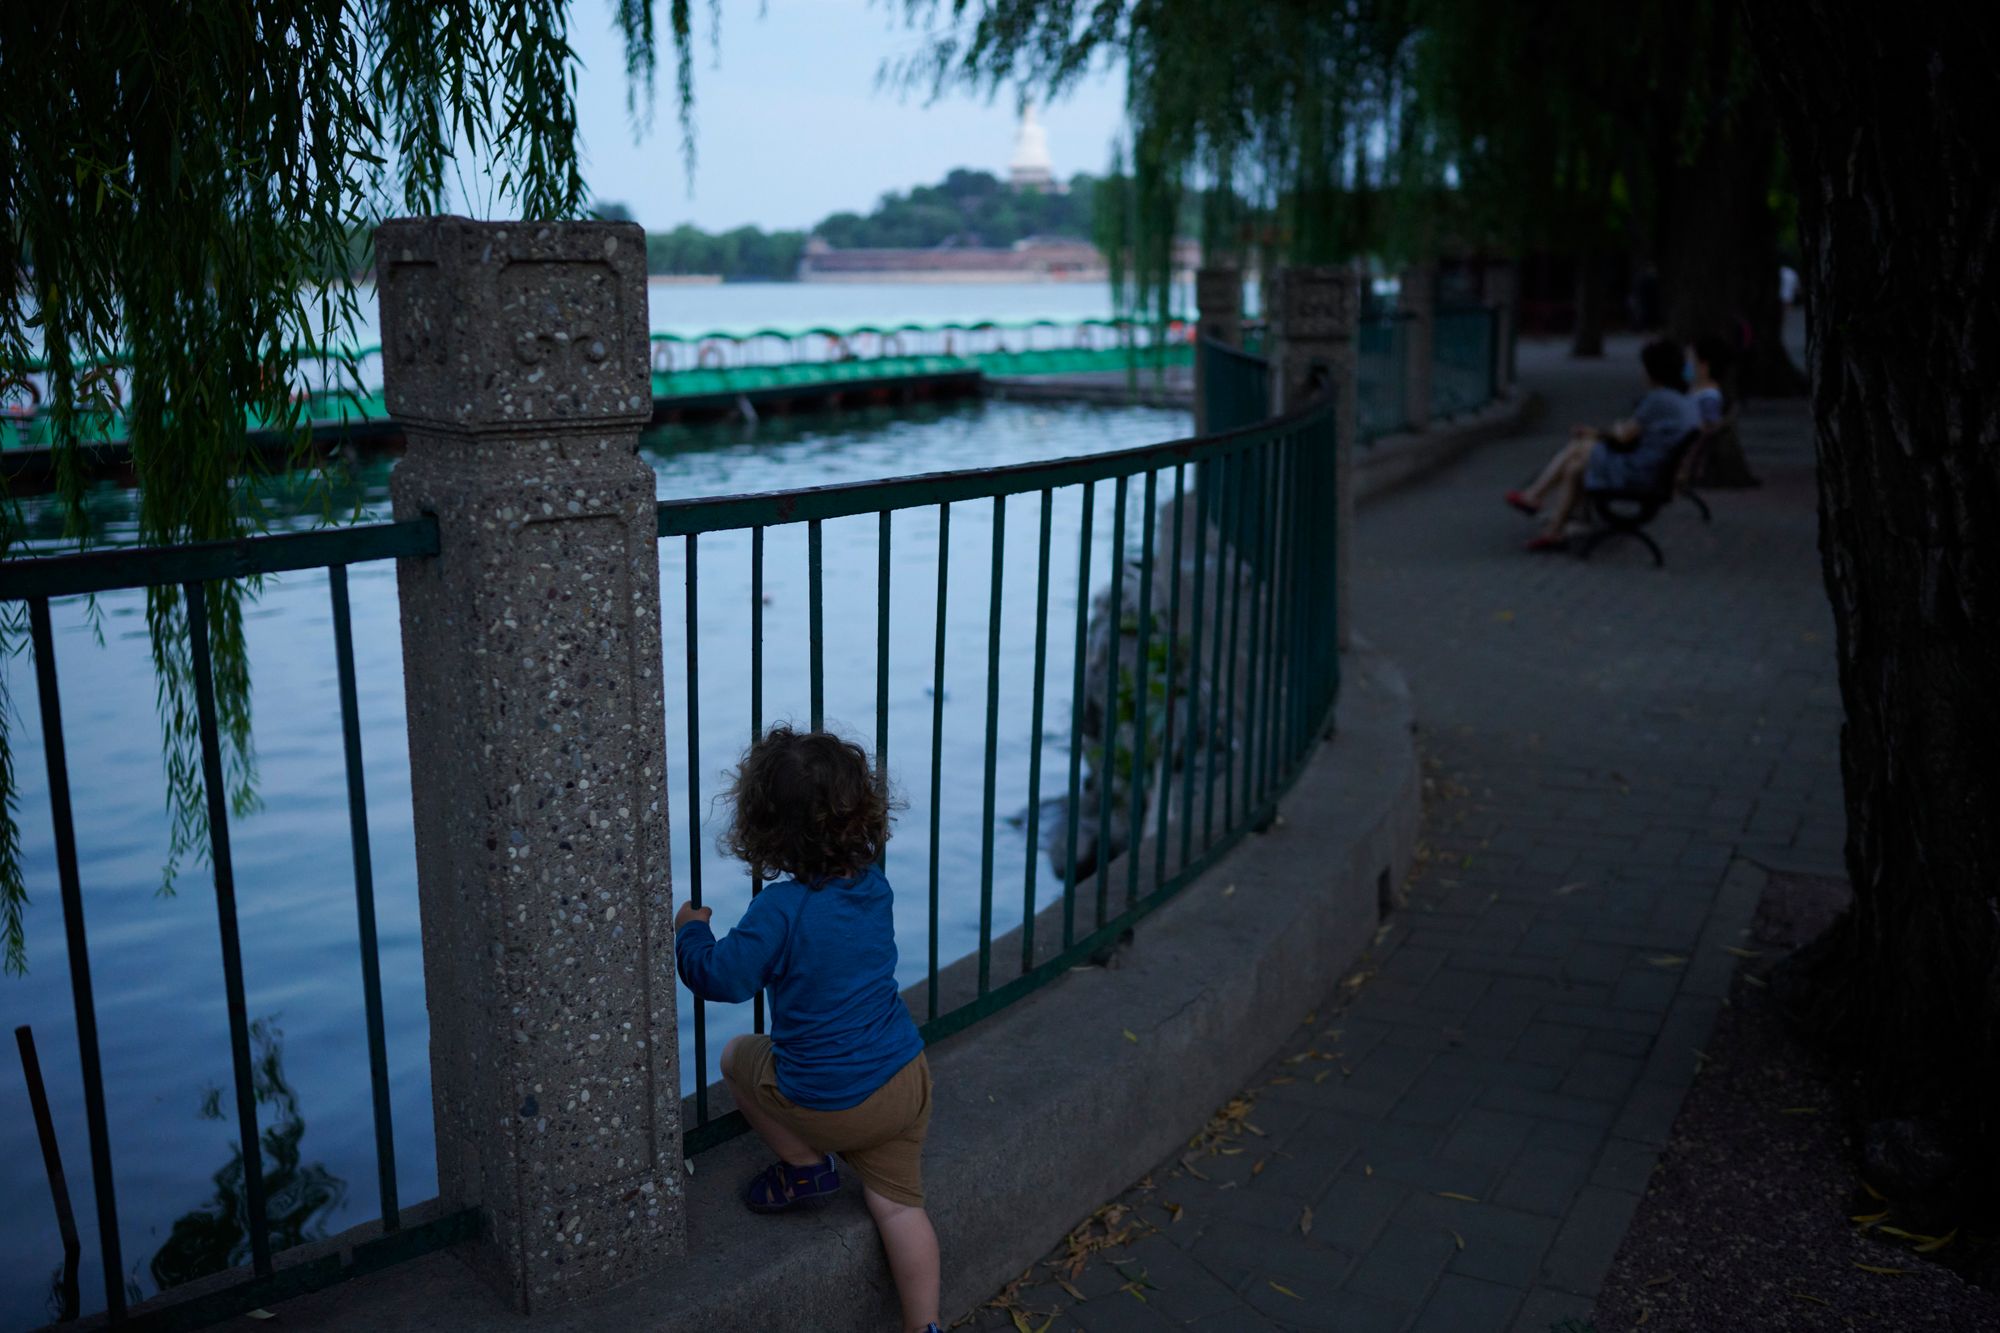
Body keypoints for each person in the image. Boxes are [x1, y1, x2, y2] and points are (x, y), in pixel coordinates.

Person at [675, 727, 940, 1333]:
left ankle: (804, 1166)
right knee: (899, 1211)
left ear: (764, 827)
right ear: (862, 812)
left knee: (740, 1055)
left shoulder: (781, 908)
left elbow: (721, 978)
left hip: (830, 1102)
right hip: (906, 1080)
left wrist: (690, 931)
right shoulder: (874, 884)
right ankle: (925, 1327)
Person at [1504, 337, 1700, 551]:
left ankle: (1534, 496)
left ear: (1653, 371)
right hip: (1655, 470)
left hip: (1641, 472)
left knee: (1581, 445)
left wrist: (1594, 433)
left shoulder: (1658, 399)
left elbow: (1623, 437)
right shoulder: (1681, 400)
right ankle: (1553, 529)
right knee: (1575, 467)